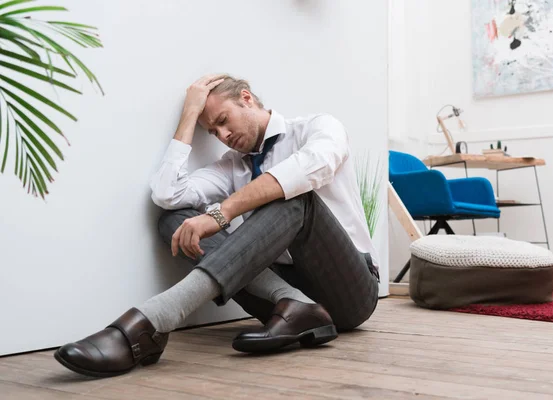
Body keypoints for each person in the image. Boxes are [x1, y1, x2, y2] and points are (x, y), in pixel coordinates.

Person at [54, 74, 380, 378]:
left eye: (223, 121)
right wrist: (188, 115)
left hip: (349, 290)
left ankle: (153, 319)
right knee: (177, 222)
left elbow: (311, 167)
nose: (222, 136)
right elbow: (168, 194)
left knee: (294, 195)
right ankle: (295, 302)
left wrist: (221, 213)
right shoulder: (231, 167)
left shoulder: (316, 127)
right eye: (212, 132)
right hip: (279, 306)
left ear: (246, 98)